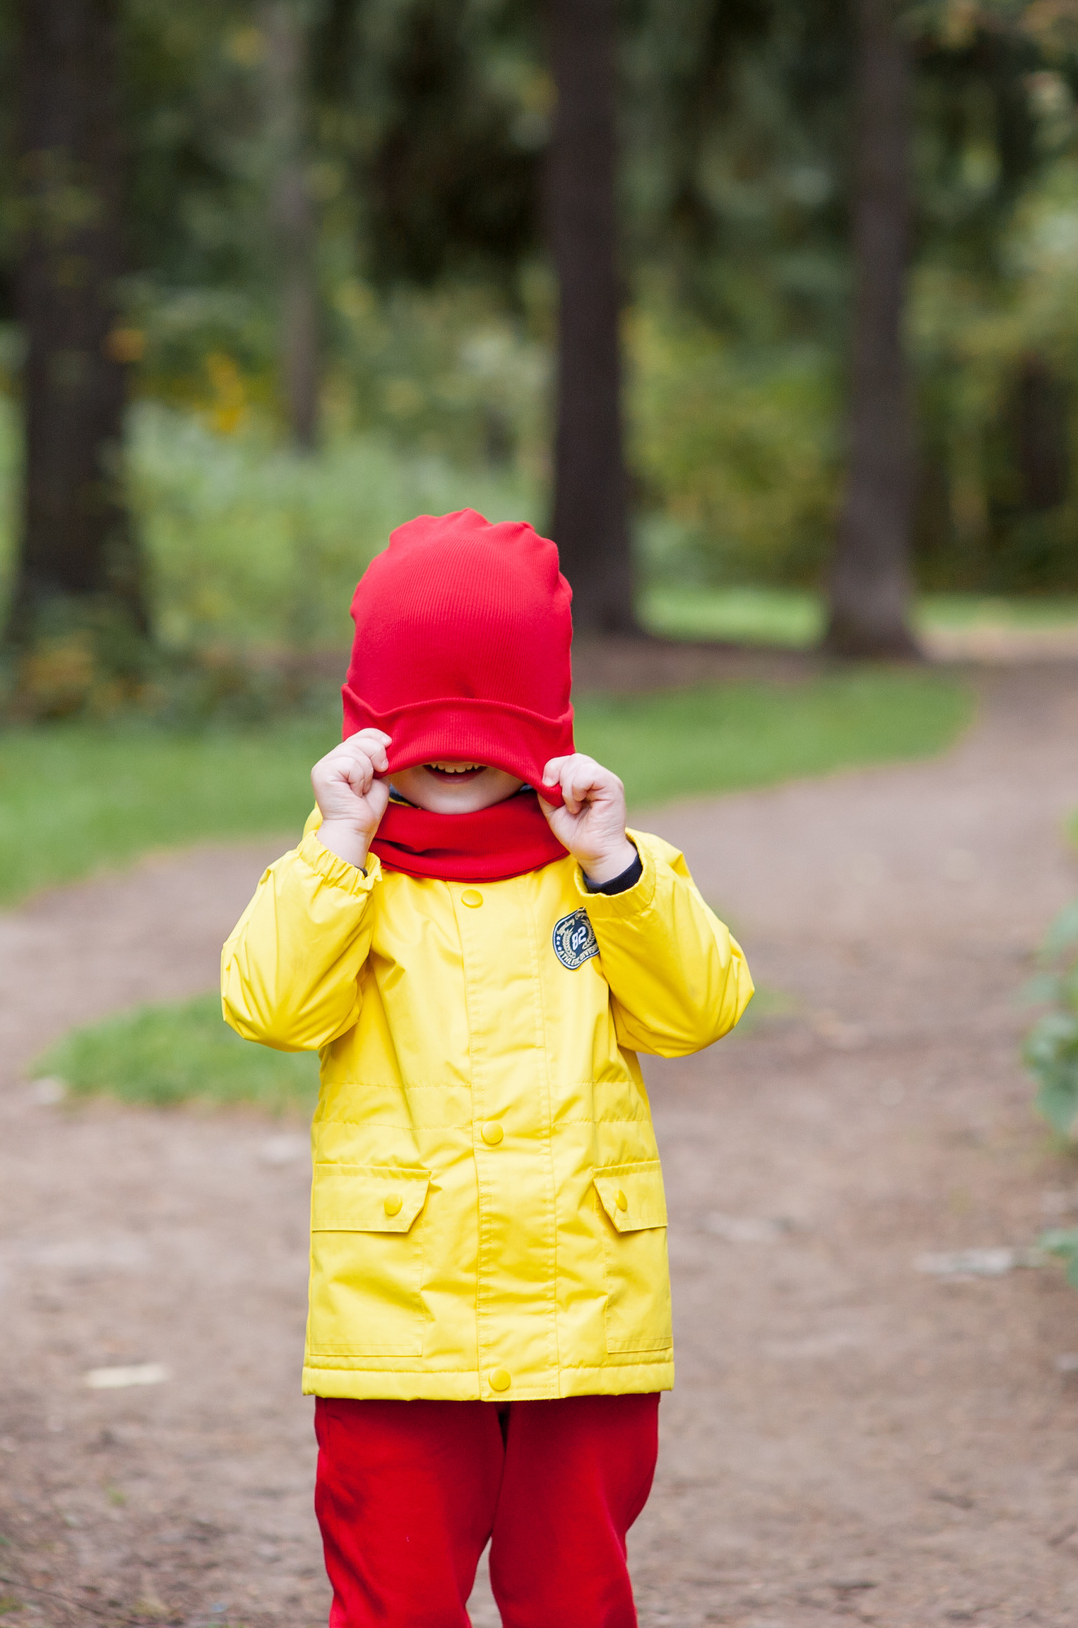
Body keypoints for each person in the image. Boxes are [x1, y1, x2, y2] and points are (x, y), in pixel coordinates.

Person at [221, 510, 754, 1628]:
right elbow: (269, 1005)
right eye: (425, 725)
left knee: (576, 1595)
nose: (456, 753)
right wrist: (335, 847)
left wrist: (613, 866)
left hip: (582, 1325)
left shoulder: (603, 868)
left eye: (485, 722)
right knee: (393, 1600)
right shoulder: (344, 874)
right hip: (399, 1328)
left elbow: (697, 1010)